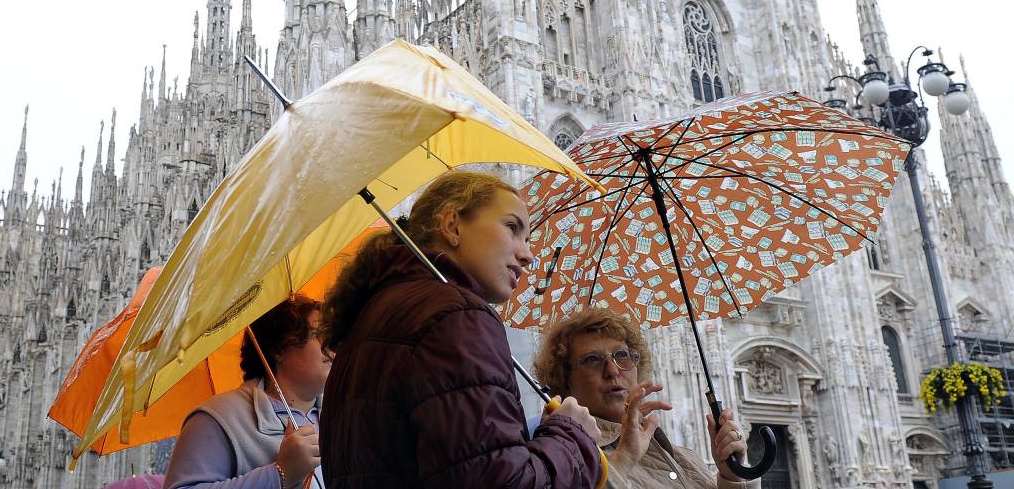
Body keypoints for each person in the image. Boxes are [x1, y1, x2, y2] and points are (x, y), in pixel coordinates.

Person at [318, 171, 603, 488]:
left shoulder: (373, 316)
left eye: (528, 239)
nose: (528, 256)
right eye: (512, 228)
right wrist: (572, 436)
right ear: (452, 226)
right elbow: (501, 481)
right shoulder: (455, 317)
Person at [532, 307, 759, 488]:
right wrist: (623, 459)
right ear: (564, 380)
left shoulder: (687, 458)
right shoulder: (559, 459)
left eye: (622, 355)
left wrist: (732, 477)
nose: (612, 370)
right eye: (592, 359)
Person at [163, 294, 330, 489]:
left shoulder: (343, 416)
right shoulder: (219, 417)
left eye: (333, 335)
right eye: (318, 335)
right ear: (279, 348)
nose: (332, 345)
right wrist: (280, 474)